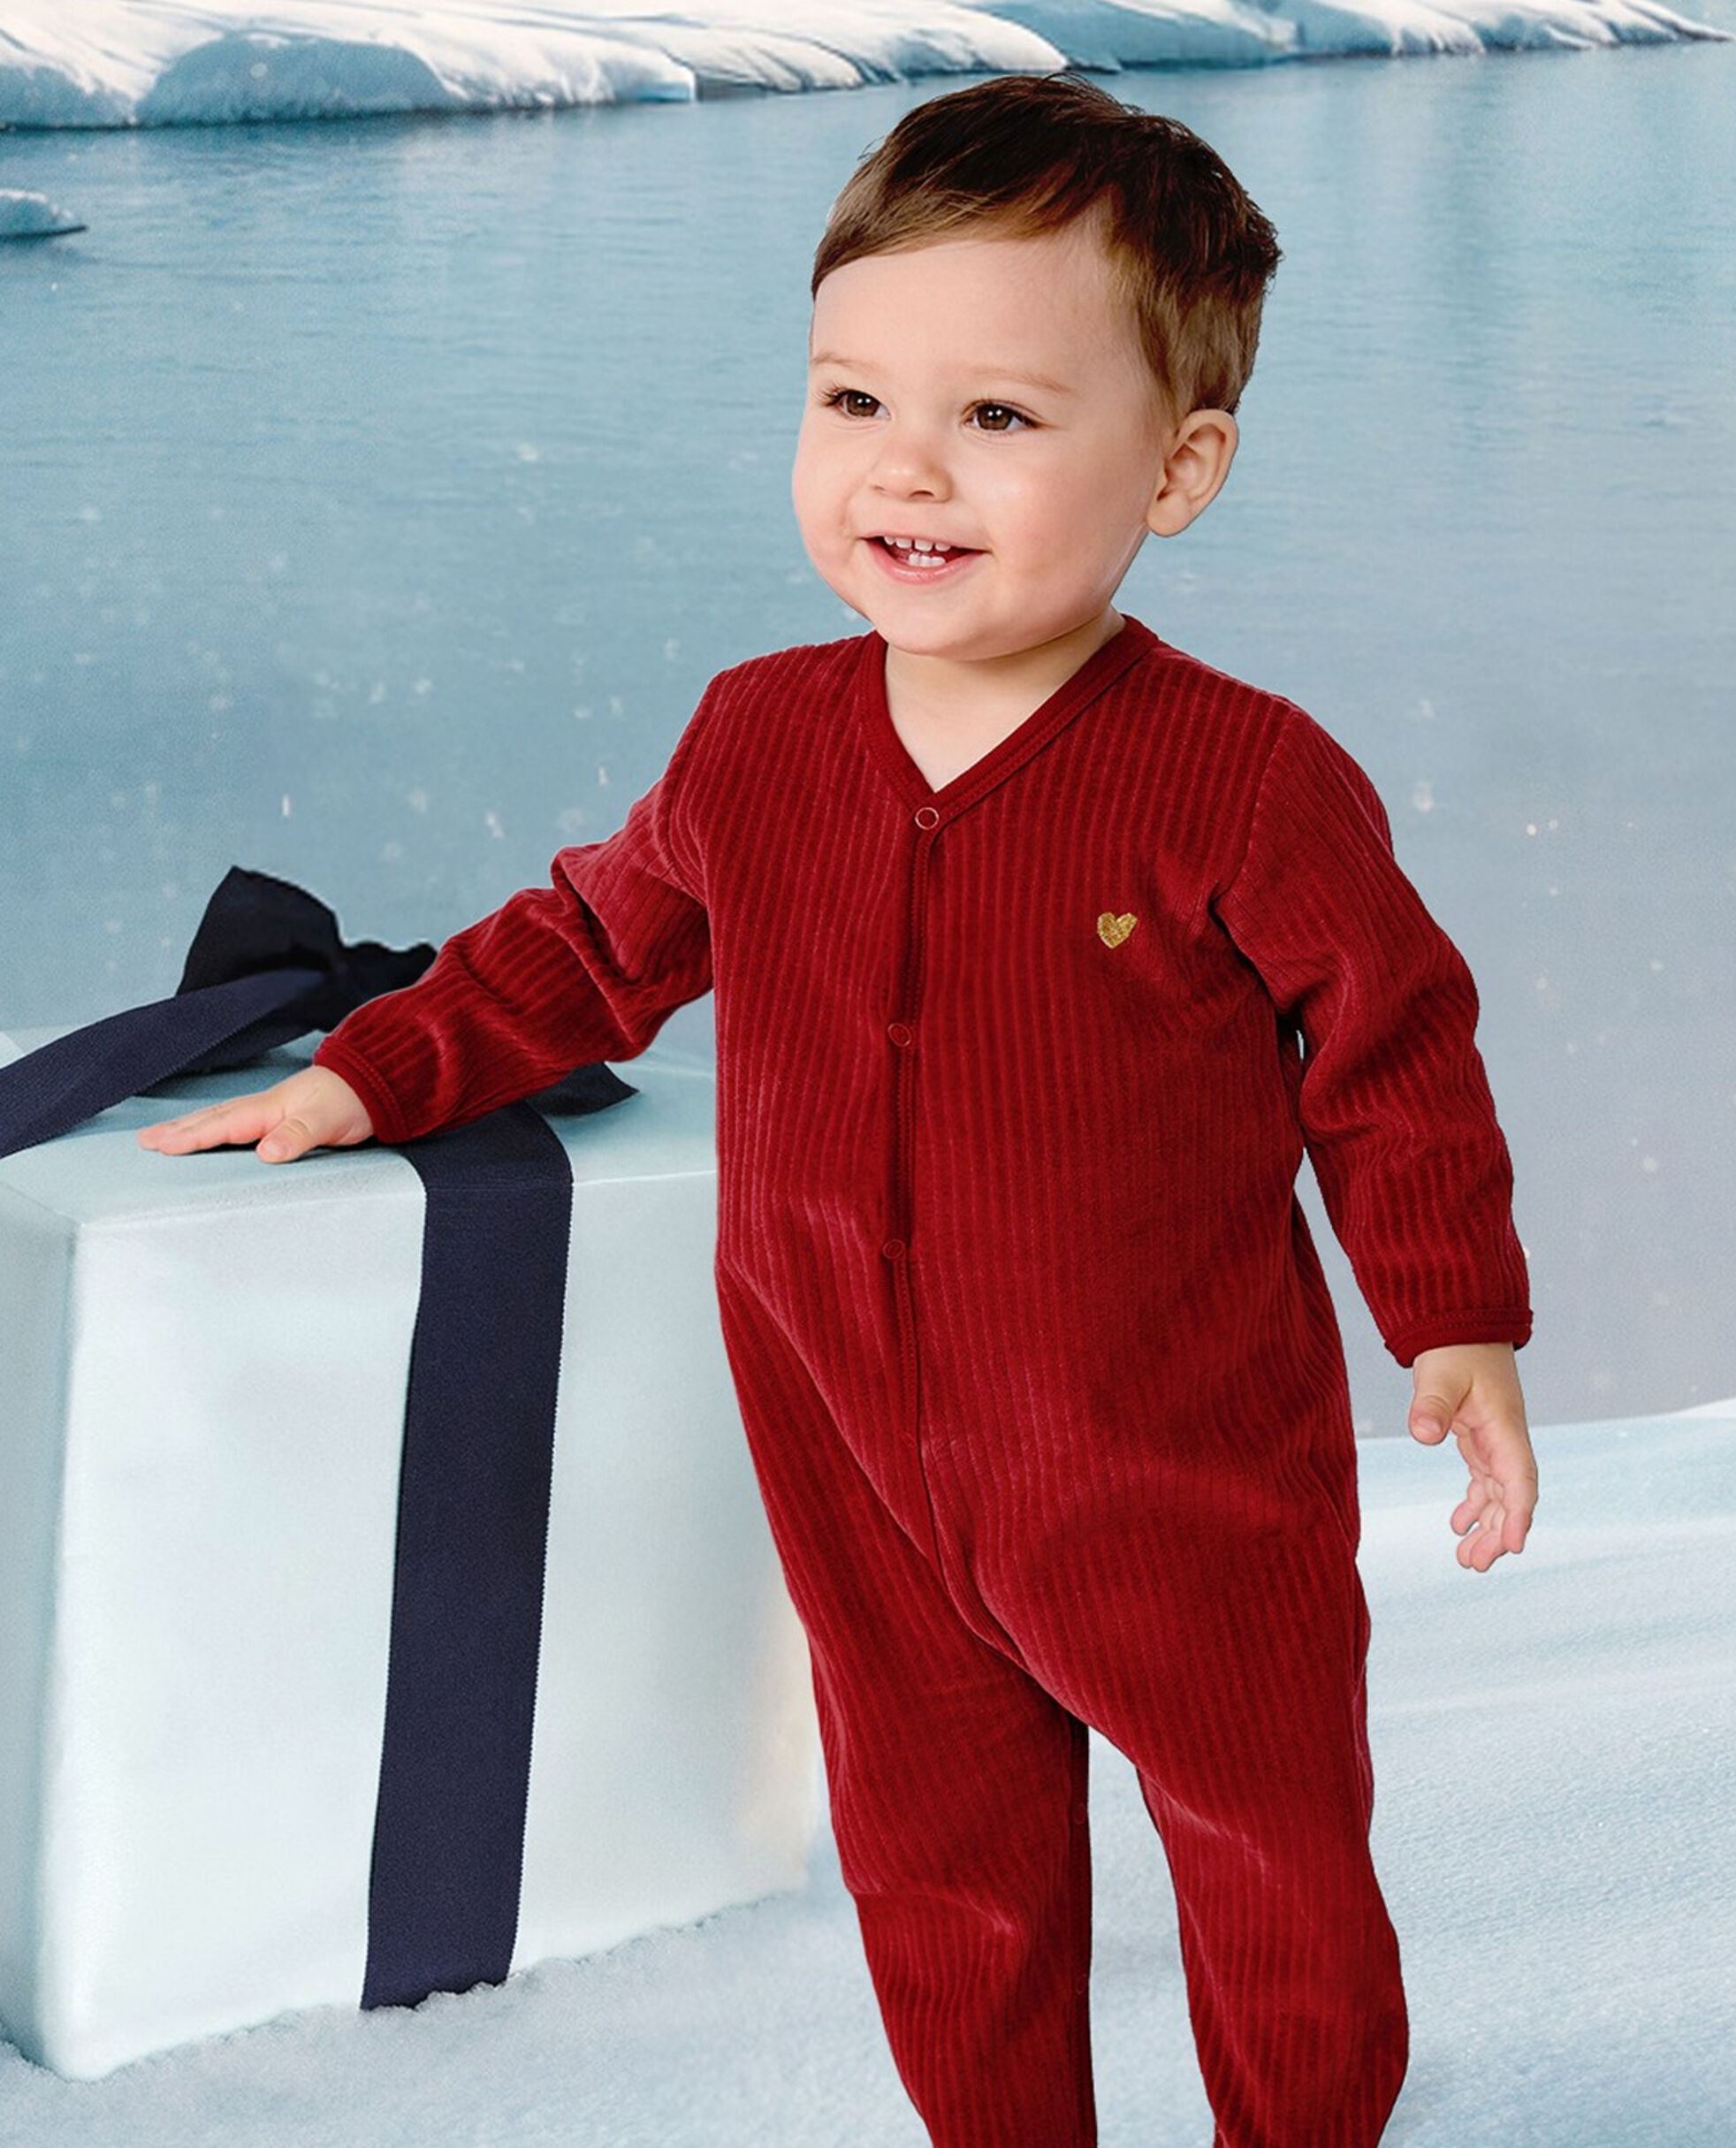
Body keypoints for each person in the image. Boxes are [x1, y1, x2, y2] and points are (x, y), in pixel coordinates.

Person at [142, 72, 1537, 2148]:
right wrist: (379, 1065)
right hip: (855, 1462)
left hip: (1172, 1478)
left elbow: (1390, 1051)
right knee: (942, 1875)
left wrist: (1453, 1318)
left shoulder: (1238, 778)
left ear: (1176, 466)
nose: (907, 468)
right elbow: (590, 944)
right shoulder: (758, 736)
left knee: (1266, 1855)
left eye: (998, 416)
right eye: (852, 399)